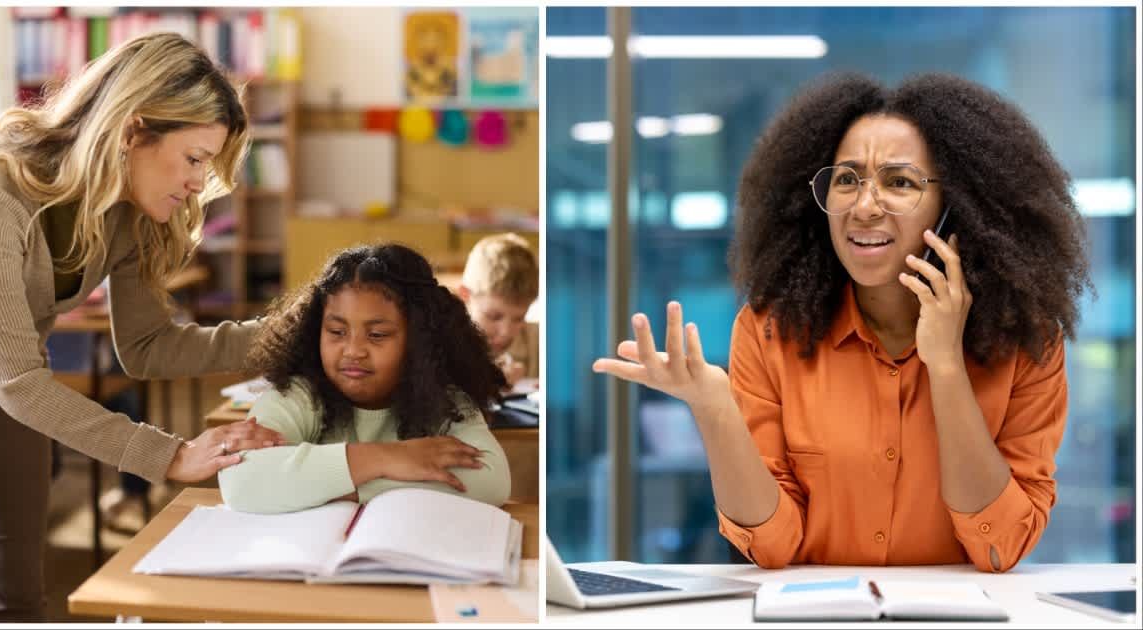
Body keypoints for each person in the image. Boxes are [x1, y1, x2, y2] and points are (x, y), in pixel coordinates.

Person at [593, 72, 1091, 573]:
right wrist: (714, 411)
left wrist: (945, 367)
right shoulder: (770, 330)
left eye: (899, 183)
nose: (864, 206)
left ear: (958, 208)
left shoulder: (1028, 342)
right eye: (847, 179)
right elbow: (771, 547)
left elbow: (998, 546)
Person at [0, 33, 285, 622]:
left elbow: (149, 347)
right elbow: (20, 384)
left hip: (4, 390)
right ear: (132, 131)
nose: (197, 184)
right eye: (195, 159)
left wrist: (288, 337)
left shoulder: (127, 212)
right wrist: (168, 455)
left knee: (22, 595)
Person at [218, 243, 512, 514]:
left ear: (418, 341)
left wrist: (332, 488)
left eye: (377, 335)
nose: (354, 351)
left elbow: (491, 480)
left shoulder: (446, 400)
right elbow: (241, 480)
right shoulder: (299, 395)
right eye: (336, 332)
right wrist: (386, 458)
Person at [458, 232, 540, 386]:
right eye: (493, 316)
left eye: (519, 318)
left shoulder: (538, 342)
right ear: (465, 295)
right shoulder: (438, 344)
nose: (506, 332)